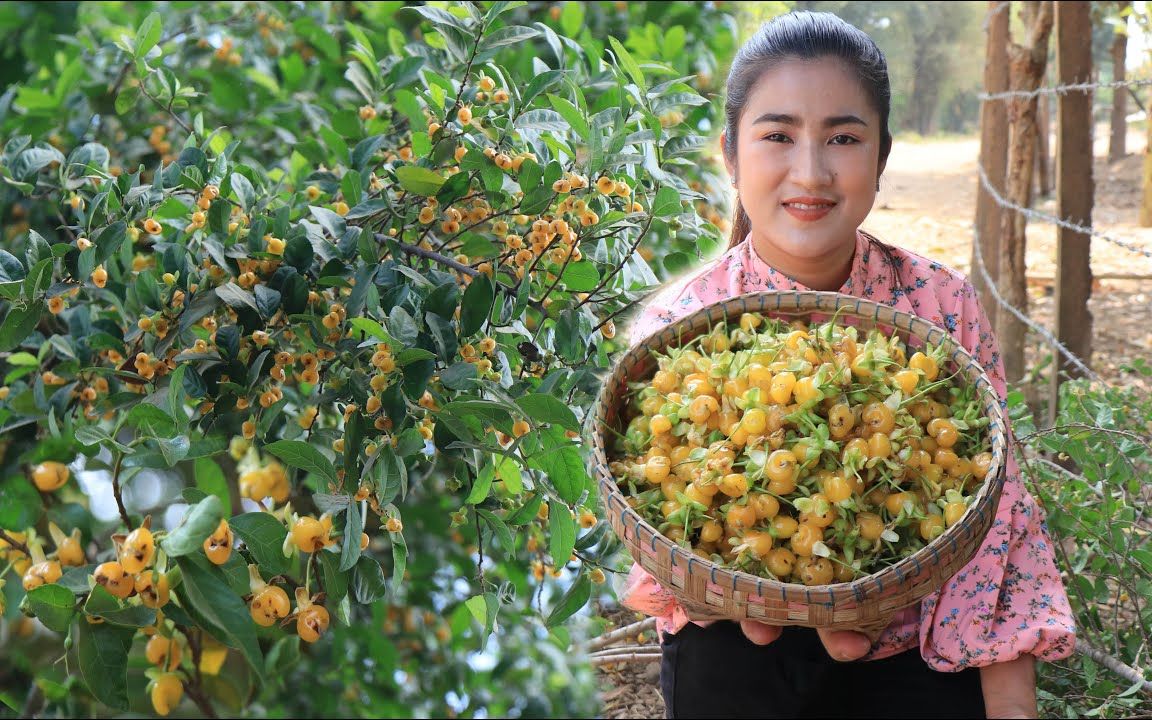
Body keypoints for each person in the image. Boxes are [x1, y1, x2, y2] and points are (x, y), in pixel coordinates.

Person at [621, 11, 1076, 720]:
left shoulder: (940, 306)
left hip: (916, 660)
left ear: (882, 156)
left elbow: (996, 505)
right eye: (777, 136)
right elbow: (662, 531)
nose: (811, 171)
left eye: (842, 137)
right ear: (731, 156)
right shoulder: (676, 329)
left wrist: (1009, 697)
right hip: (740, 663)